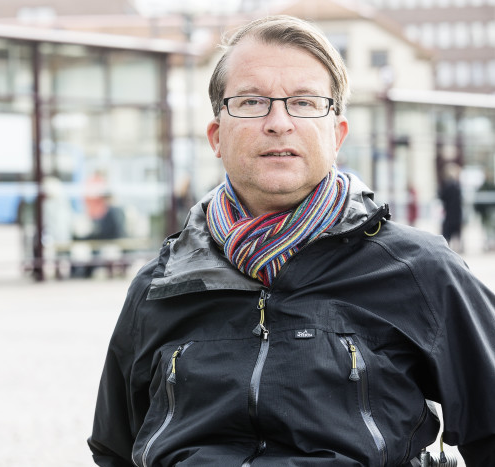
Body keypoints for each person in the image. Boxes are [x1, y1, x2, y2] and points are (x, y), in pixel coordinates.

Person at [88, 15, 495, 467]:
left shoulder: (418, 270)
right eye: (251, 102)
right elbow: (114, 449)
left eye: (304, 102)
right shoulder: (160, 286)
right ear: (216, 135)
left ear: (337, 133)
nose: (278, 122)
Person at [438, 163, 463, 253]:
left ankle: (450, 250)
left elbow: (442, 196)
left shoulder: (448, 185)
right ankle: (455, 250)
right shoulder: (455, 185)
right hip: (453, 213)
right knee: (454, 233)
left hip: (450, 213)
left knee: (449, 233)